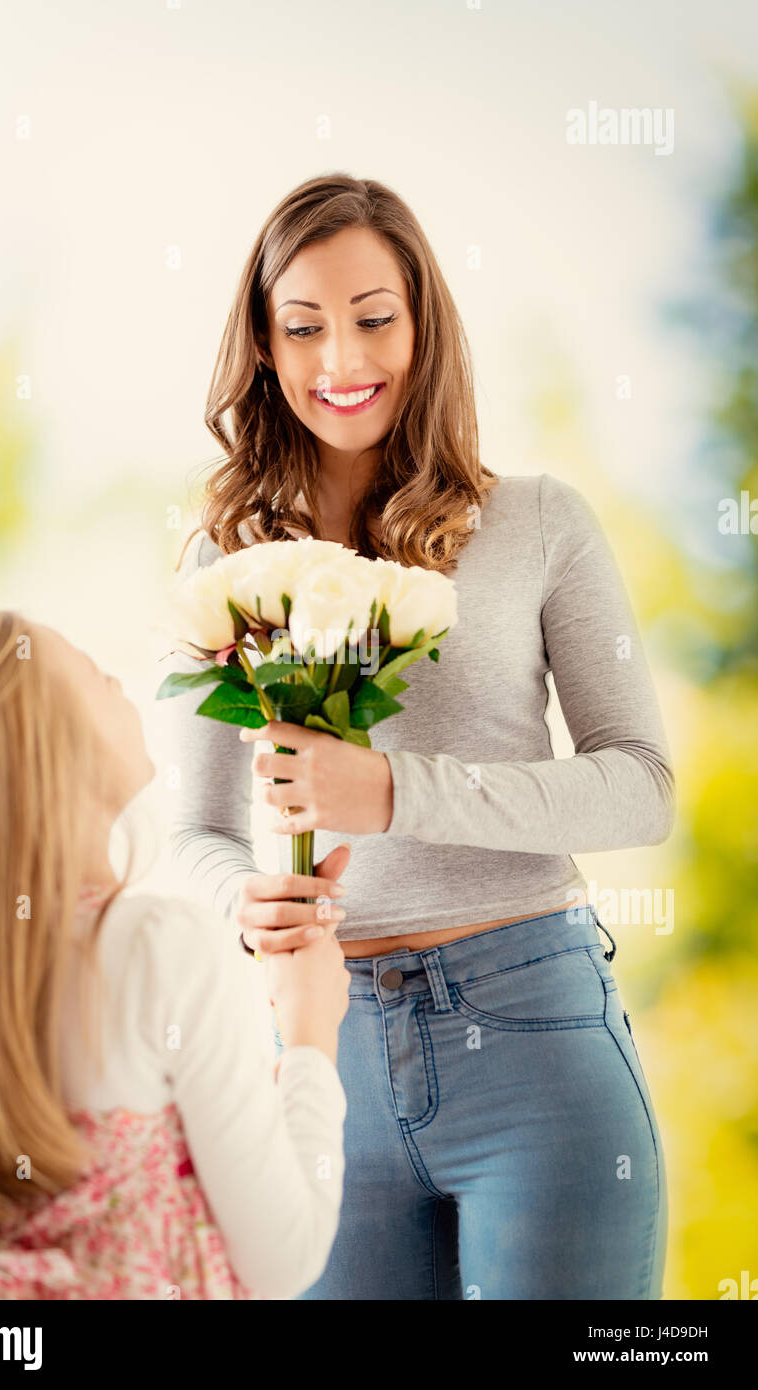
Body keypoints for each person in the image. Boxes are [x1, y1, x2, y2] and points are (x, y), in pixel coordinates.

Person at [166, 172, 675, 1300]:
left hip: (537, 1037)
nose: (340, 361)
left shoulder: (538, 521)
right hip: (322, 1054)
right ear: (262, 344)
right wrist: (241, 905)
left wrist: (393, 790)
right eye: (302, 327)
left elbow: (642, 787)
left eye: (373, 317)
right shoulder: (225, 561)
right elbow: (191, 834)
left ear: (424, 322)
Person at [0, 611, 350, 1300]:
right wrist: (310, 1031)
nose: (118, 681)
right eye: (95, 675)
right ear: (43, 746)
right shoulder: (157, 947)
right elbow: (284, 1259)